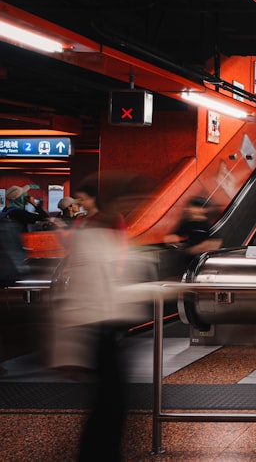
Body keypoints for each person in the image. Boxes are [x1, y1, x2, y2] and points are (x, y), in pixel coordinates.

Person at [49, 177, 148, 460]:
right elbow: (78, 293)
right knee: (110, 403)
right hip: (97, 328)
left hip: (107, 325)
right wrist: (66, 350)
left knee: (111, 403)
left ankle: (101, 453)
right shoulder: (92, 234)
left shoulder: (101, 231)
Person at [161, 196, 222, 275]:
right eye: (190, 207)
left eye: (194, 207)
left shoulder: (208, 224)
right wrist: (175, 243)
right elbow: (172, 236)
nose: (189, 209)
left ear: (202, 209)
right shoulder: (187, 222)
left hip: (201, 258)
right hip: (186, 258)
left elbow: (216, 243)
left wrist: (196, 249)